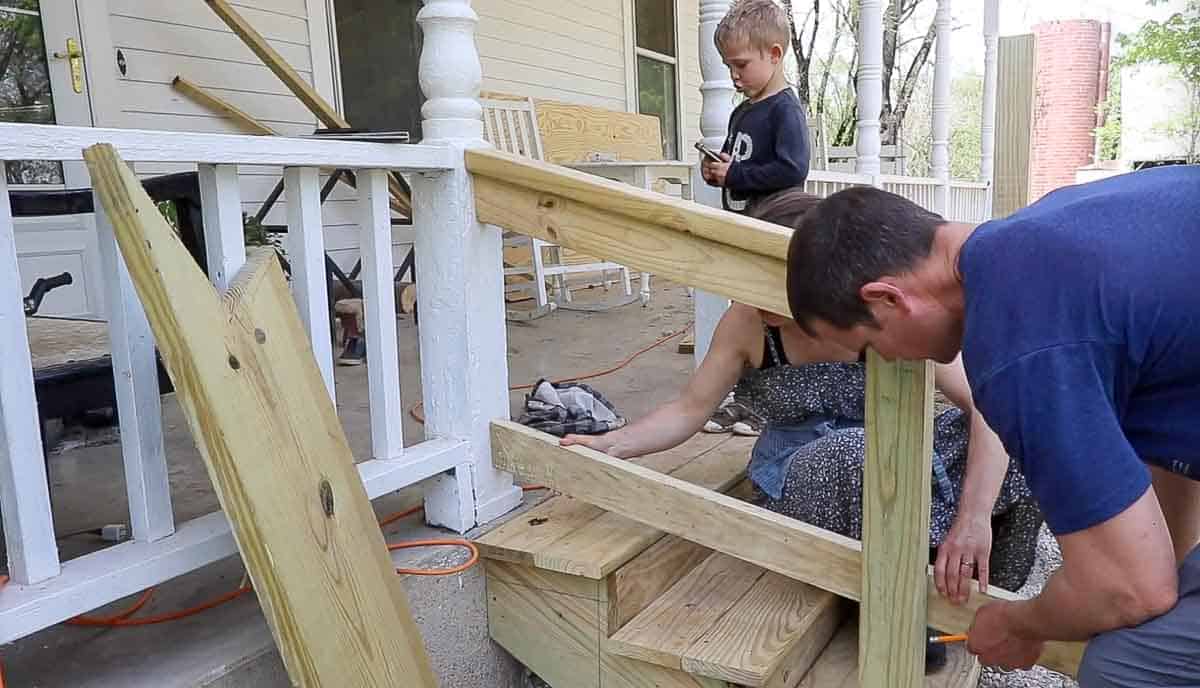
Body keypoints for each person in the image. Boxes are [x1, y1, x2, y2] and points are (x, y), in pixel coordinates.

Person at [783, 165, 1200, 686]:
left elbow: (1130, 589)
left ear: (888, 299)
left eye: (868, 348)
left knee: (1125, 667)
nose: (884, 360)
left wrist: (1018, 623)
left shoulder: (1019, 341)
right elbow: (1168, 455)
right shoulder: (1046, 229)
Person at [563, 189, 1043, 603]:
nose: (761, 307)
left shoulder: (878, 315)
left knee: (1026, 430)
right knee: (856, 453)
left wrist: (974, 517)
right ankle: (894, 597)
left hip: (897, 459)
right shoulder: (747, 325)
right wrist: (609, 445)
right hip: (803, 472)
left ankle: (977, 591)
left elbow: (987, 406)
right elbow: (689, 410)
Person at [698, 0, 812, 435]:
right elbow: (737, 162)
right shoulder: (741, 112)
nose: (734, 75)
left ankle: (770, 406)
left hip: (775, 229)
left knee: (770, 318)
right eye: (728, 66)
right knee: (741, 318)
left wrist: (739, 173)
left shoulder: (785, 110)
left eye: (741, 64)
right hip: (744, 226)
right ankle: (742, 400)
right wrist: (719, 171)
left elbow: (792, 168)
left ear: (775, 54)